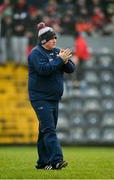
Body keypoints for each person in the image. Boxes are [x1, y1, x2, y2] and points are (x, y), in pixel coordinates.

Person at [28, 22, 77, 170]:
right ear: (43, 41)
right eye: (51, 38)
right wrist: (59, 60)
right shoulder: (35, 53)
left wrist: (66, 61)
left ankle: (42, 162)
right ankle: (56, 160)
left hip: (54, 98)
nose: (54, 40)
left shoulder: (57, 52)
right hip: (40, 98)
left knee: (45, 131)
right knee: (49, 130)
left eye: (55, 38)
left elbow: (71, 69)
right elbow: (43, 70)